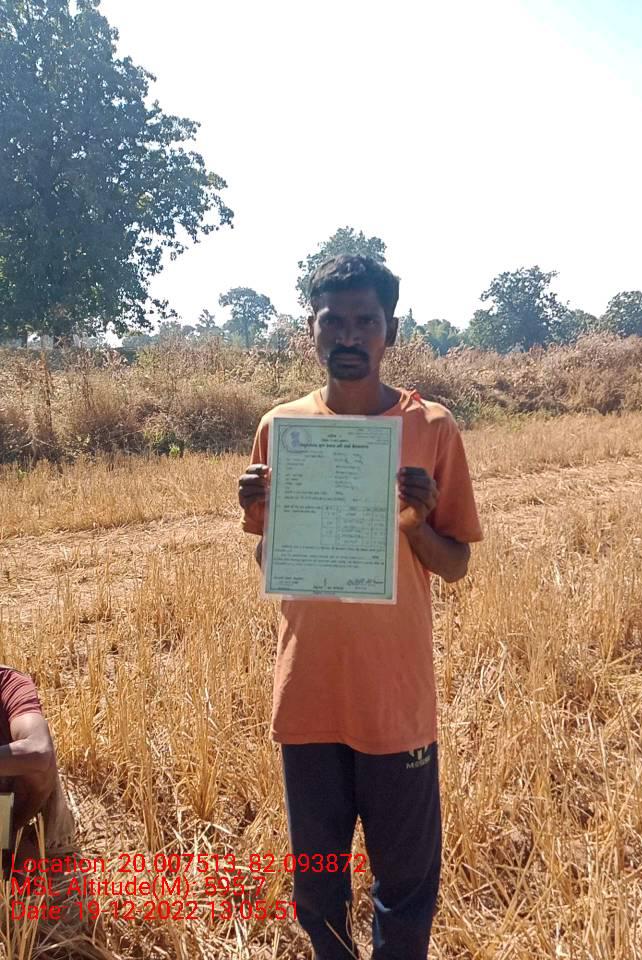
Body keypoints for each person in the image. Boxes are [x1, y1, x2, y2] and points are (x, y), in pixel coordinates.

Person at [238, 255, 482, 959]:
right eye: (333, 321)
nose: (349, 335)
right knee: (317, 887)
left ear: (390, 331)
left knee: (405, 885)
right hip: (308, 694)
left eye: (365, 321)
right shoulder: (281, 428)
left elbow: (456, 564)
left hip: (394, 700)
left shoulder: (431, 427)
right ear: (311, 330)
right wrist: (265, 515)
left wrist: (415, 524)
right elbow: (273, 564)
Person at [0, 664, 75, 867]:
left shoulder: (9, 683)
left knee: (39, 763)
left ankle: (16, 834)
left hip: (11, 801)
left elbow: (39, 751)